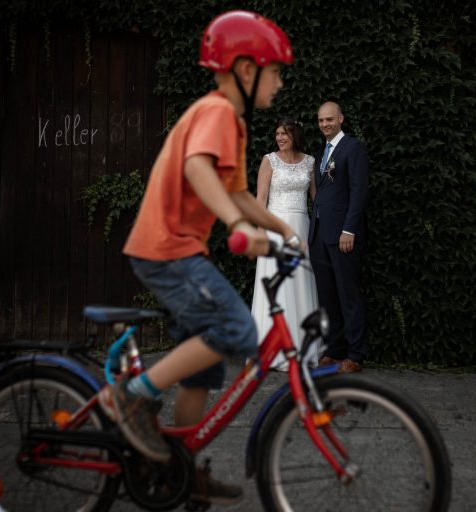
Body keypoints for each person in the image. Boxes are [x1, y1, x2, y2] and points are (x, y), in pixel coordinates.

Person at [97, 10, 300, 507]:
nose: (279, 83)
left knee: (202, 369)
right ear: (246, 70)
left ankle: (176, 471)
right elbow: (197, 169)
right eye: (275, 72)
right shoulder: (217, 112)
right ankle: (129, 397)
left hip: (176, 250)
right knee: (236, 330)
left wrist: (282, 230)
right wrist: (236, 227)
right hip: (167, 249)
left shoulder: (233, 124)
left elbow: (239, 194)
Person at [251, 118, 319, 371]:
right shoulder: (269, 160)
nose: (279, 138)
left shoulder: (310, 162)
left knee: (300, 283)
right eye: (277, 133)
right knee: (277, 285)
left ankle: (302, 347)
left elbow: (316, 199)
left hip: (301, 228)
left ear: (295, 136)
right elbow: (261, 198)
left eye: (285, 133)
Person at [308, 101, 369, 374]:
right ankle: (334, 350)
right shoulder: (321, 152)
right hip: (319, 235)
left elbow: (359, 192)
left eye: (329, 119)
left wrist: (349, 229)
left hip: (343, 235)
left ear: (341, 119)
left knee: (348, 295)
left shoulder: (353, 148)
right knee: (328, 296)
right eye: (321, 120)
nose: (325, 124)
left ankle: (355, 355)